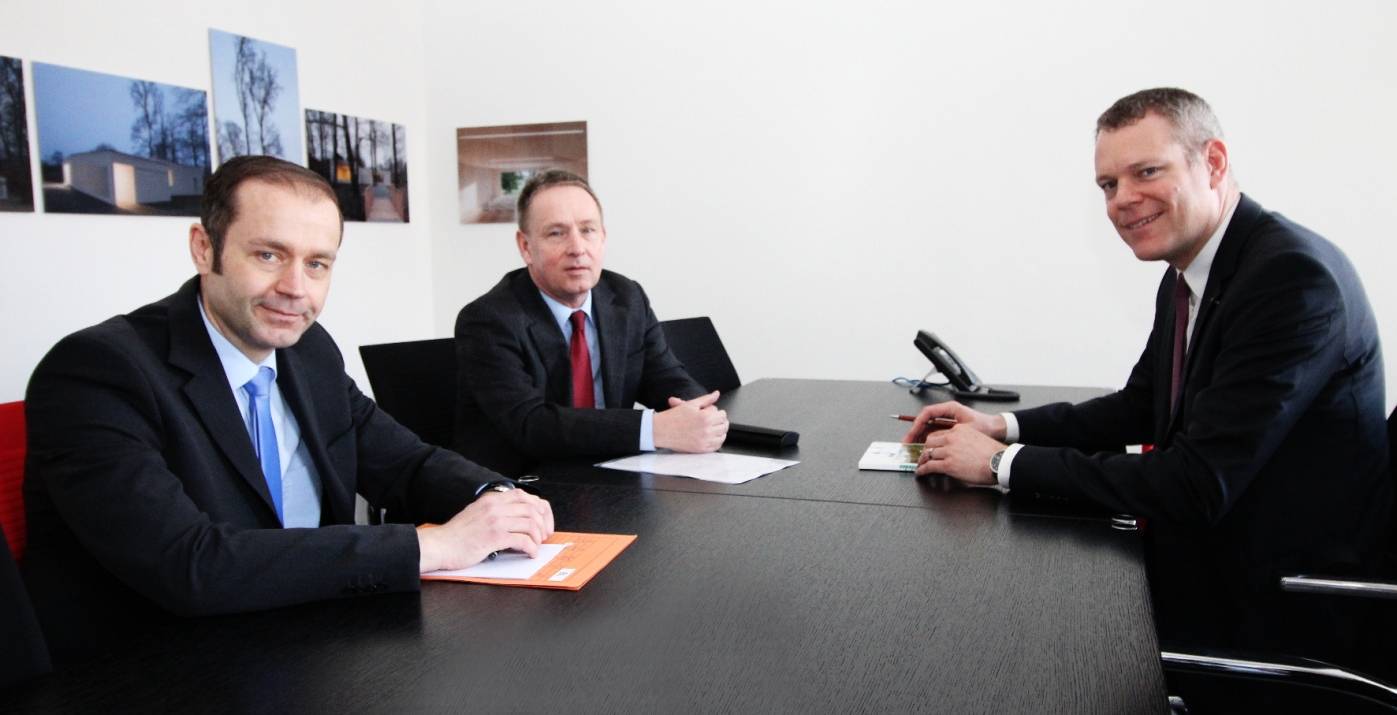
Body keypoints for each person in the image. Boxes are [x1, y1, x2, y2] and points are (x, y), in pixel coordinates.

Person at [902, 88, 1391, 659]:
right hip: (1215, 557)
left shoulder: (1291, 282)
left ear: (1213, 163)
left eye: (1146, 172)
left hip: (1279, 603)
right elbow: (1141, 403)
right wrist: (1003, 428)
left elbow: (1195, 483)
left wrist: (996, 466)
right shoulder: (1194, 269)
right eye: (1108, 185)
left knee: (1010, 642)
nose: (1122, 200)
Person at [23, 156, 554, 662]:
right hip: (159, 669)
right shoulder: (98, 371)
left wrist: (501, 499)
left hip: (312, 642)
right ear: (204, 248)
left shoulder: (307, 350)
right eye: (269, 255)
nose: (295, 289)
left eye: (317, 264)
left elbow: (404, 463)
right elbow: (190, 565)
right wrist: (433, 545)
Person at [454, 170, 727, 476]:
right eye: (556, 233)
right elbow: (533, 425)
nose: (577, 248)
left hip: (615, 476)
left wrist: (697, 412)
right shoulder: (488, 320)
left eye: (588, 230)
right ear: (526, 247)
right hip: (529, 487)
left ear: (603, 237)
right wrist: (654, 429)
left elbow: (666, 377)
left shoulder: (626, 297)